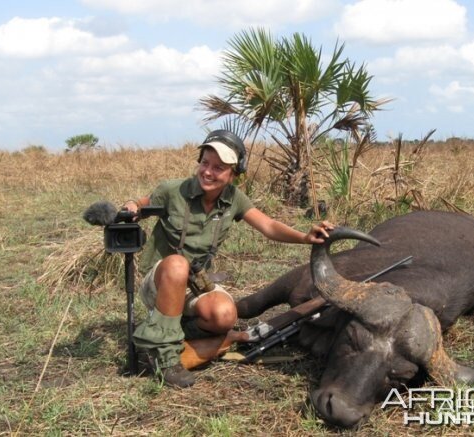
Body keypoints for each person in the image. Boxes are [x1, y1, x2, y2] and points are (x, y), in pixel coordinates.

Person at [122, 130, 334, 388]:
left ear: (233, 175)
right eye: (205, 163)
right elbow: (141, 204)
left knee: (225, 315)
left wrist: (304, 237)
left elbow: (269, 225)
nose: (208, 172)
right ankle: (165, 359)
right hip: (161, 282)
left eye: (219, 168)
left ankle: (171, 332)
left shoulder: (233, 198)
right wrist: (132, 207)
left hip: (196, 283)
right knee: (177, 263)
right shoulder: (172, 190)